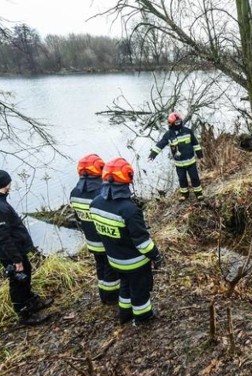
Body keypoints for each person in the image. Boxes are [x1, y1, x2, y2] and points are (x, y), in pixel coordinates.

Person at [89, 158, 163, 326]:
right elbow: (142, 242)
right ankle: (143, 318)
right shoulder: (129, 210)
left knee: (125, 286)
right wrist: (156, 256)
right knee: (140, 291)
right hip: (135, 262)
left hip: (114, 260)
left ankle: (125, 314)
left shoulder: (95, 204)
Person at [0, 169, 52, 325]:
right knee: (17, 282)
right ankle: (24, 315)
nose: (10, 185)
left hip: (13, 250)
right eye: (9, 182)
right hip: (10, 253)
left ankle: (31, 302)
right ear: (5, 184)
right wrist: (16, 260)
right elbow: (3, 237)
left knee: (25, 276)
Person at [70, 154, 120, 305]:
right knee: (111, 267)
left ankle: (103, 294)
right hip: (106, 238)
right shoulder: (101, 194)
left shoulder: (74, 192)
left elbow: (78, 218)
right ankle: (111, 297)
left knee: (100, 265)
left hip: (91, 240)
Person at [148, 112, 204, 201]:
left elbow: (195, 144)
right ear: (171, 123)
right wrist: (153, 154)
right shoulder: (168, 135)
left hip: (191, 162)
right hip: (179, 164)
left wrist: (200, 154)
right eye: (176, 122)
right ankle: (184, 194)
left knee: (194, 177)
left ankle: (199, 194)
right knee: (182, 179)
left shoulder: (188, 131)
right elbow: (160, 144)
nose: (178, 123)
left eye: (179, 122)